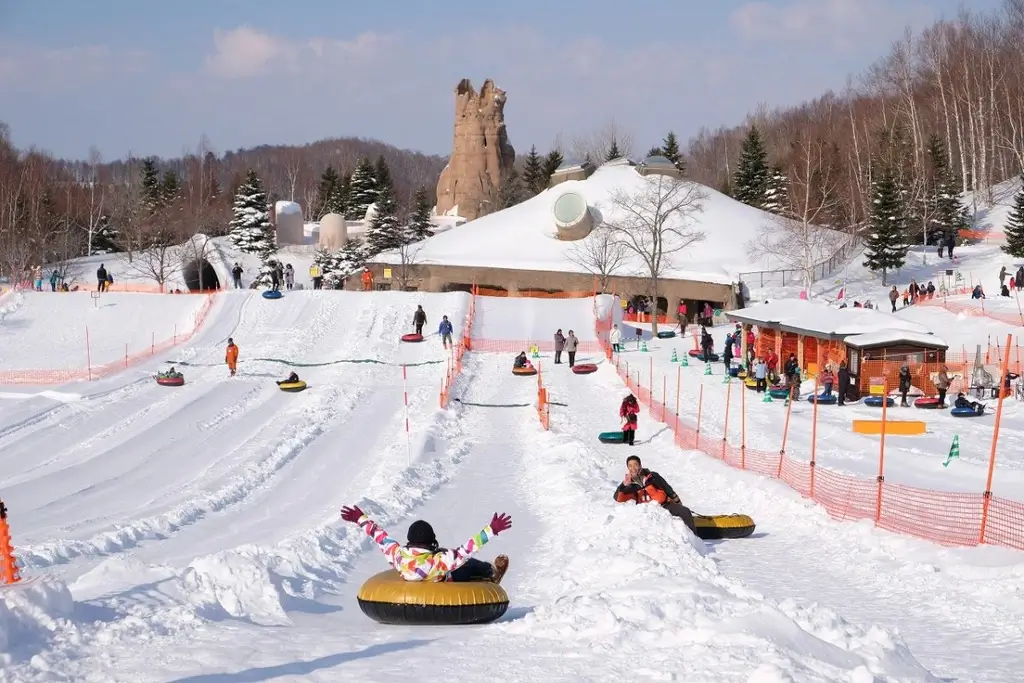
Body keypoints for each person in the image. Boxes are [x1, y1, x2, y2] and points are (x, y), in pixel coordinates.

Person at [339, 504, 512, 583]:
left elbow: (379, 536)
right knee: (466, 564)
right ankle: (491, 572)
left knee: (452, 556)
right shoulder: (438, 562)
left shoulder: (398, 555)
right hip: (443, 579)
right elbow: (466, 550)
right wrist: (490, 530)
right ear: (431, 542)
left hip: (411, 573)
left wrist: (360, 518)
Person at [613, 455, 696, 534]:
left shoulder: (653, 476)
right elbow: (617, 498)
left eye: (635, 465)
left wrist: (677, 502)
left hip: (664, 506)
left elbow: (668, 489)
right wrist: (623, 485)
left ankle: (694, 538)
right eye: (630, 466)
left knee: (685, 511)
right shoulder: (629, 484)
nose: (633, 468)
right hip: (647, 513)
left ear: (640, 466)